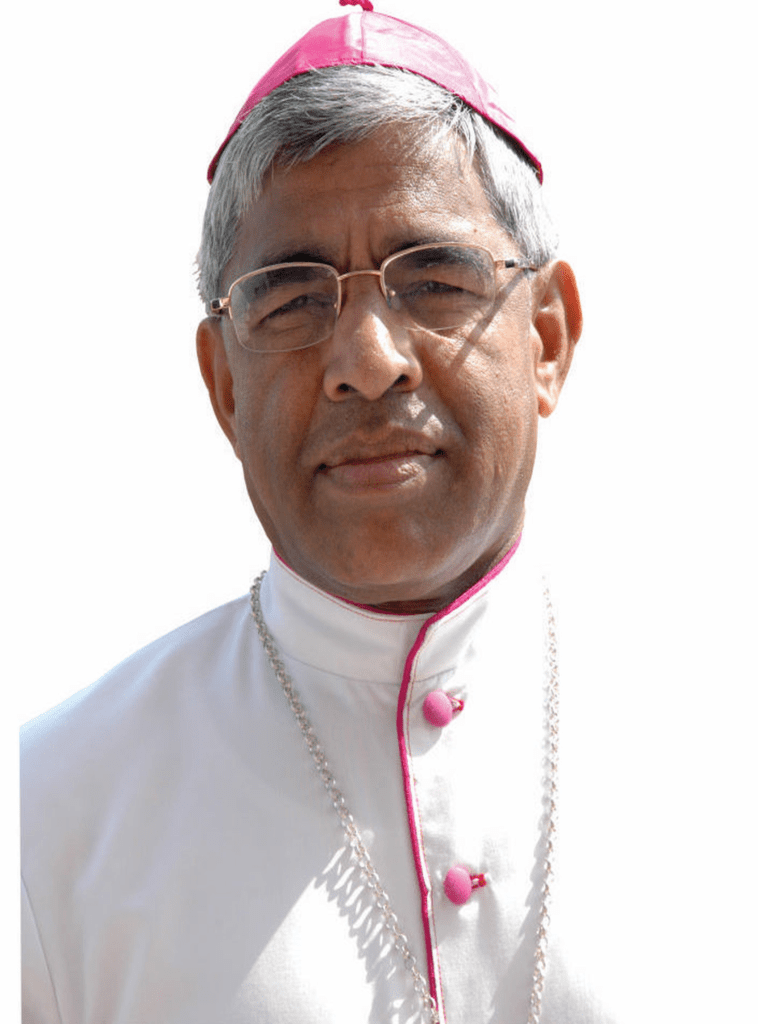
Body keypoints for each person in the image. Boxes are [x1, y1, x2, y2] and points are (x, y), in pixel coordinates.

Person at [20, 4, 593, 1022]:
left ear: (546, 338)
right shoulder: (45, 812)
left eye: (434, 279)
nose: (367, 361)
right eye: (291, 298)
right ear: (223, 388)